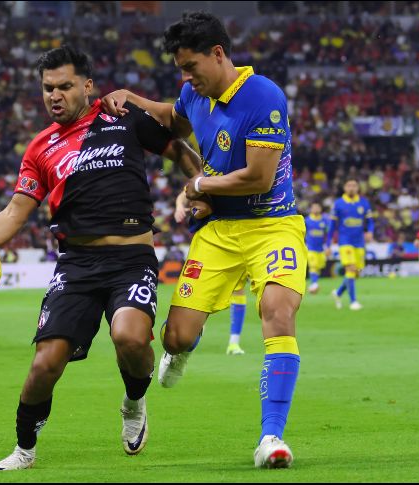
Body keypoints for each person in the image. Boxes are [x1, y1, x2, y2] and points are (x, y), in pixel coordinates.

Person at [0, 45, 203, 471]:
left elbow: (177, 150)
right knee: (45, 363)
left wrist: (201, 186)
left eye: (64, 86)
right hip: (76, 267)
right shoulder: (40, 148)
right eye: (48, 88)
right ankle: (24, 448)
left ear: (86, 86)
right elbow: (16, 211)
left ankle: (134, 401)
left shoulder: (122, 116)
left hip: (131, 261)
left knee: (131, 338)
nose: (55, 95)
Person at [102, 12, 306, 468]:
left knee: (277, 311)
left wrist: (195, 188)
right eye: (180, 68)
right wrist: (130, 98)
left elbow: (257, 178)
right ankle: (184, 349)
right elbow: (170, 119)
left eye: (191, 65)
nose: (185, 76)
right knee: (175, 338)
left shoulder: (263, 96)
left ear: (218, 54)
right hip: (217, 236)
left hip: (272, 225)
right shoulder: (195, 93)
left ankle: (271, 438)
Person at [174, 190, 246, 355]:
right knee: (198, 296)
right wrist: (180, 206)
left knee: (238, 289)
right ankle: (185, 343)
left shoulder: (229, 175)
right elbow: (186, 193)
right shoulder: (208, 174)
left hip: (235, 239)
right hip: (208, 241)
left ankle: (234, 343)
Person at [327, 179, 373, 311]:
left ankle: (338, 293)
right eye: (349, 185)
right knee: (351, 269)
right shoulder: (338, 204)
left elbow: (370, 221)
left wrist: (370, 231)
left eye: (354, 185)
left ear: (358, 188)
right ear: (344, 188)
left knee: (357, 272)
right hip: (345, 241)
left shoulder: (364, 203)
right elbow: (332, 226)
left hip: (359, 242)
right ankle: (353, 302)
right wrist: (328, 244)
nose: (351, 188)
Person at [305, 202, 328, 294]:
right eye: (314, 207)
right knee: (313, 267)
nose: (316, 209)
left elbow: (327, 234)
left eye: (317, 207)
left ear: (320, 209)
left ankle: (313, 285)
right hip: (310, 248)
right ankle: (314, 284)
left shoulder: (324, 221)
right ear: (311, 209)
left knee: (318, 267)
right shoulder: (307, 220)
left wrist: (328, 246)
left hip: (321, 249)